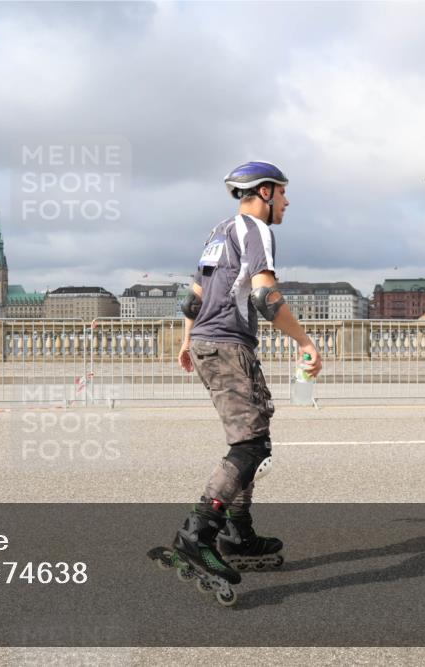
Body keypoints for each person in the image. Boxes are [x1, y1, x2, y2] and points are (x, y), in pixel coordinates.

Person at [170, 161, 323, 584]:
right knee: (251, 446)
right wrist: (305, 342)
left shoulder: (217, 232)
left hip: (206, 342)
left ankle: (238, 534)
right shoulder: (255, 230)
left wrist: (187, 341)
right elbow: (264, 295)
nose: (288, 201)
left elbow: (192, 299)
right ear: (266, 192)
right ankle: (198, 534)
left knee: (251, 440)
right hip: (227, 344)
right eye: (284, 193)